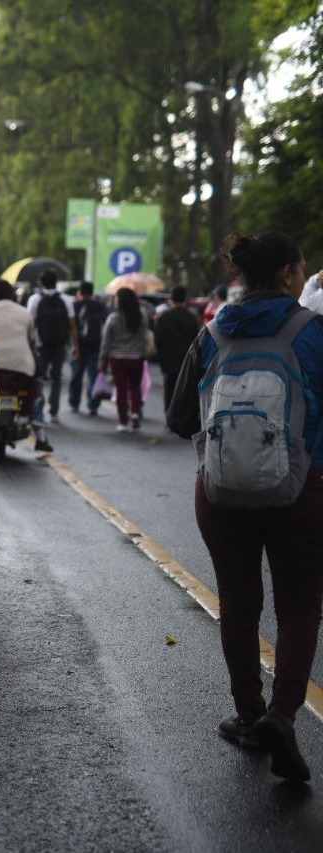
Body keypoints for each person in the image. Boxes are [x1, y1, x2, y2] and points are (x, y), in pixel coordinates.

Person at [166, 232, 323, 783]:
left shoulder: (210, 332)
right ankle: (283, 715)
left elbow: (180, 418)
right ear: (286, 274)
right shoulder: (314, 332)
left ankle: (251, 714)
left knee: (238, 603)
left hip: (220, 492)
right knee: (300, 604)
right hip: (302, 491)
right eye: (301, 268)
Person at [0, 279, 52, 452]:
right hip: (21, 368)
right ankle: (26, 417)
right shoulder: (25, 313)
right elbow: (31, 338)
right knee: (36, 384)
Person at [26, 270, 78, 423]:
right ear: (56, 283)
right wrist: (76, 346)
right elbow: (72, 325)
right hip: (60, 344)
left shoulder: (35, 299)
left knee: (39, 378)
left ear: (41, 283)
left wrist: (30, 344)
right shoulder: (65, 299)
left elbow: (31, 323)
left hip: (40, 346)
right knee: (56, 377)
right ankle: (54, 411)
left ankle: (38, 410)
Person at [98, 288, 151, 432]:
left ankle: (123, 421)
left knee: (121, 389)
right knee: (135, 387)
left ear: (120, 301)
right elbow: (145, 336)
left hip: (118, 359)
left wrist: (102, 360)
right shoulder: (141, 317)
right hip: (136, 358)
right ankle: (135, 412)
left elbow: (106, 341)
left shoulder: (112, 318)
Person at [153, 286, 201, 412]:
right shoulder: (192, 318)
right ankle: (183, 413)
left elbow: (158, 339)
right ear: (185, 299)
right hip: (187, 358)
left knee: (170, 386)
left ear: (171, 299)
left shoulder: (164, 317)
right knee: (185, 387)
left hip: (169, 359)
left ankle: (169, 413)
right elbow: (197, 339)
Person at [68, 281, 107, 416]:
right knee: (93, 376)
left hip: (78, 346)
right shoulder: (100, 306)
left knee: (76, 376)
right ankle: (93, 405)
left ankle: (74, 403)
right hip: (95, 347)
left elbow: (70, 326)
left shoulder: (75, 306)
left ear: (80, 292)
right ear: (92, 292)